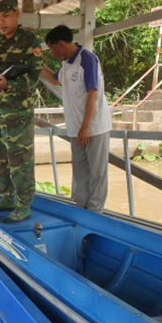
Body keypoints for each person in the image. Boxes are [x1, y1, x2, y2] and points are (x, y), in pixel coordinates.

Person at [0, 0, 44, 223]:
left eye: (6, 16)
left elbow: (34, 76)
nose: (1, 22)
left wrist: (10, 84)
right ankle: (6, 197)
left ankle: (23, 204)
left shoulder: (30, 41)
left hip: (18, 112)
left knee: (20, 159)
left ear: (16, 14)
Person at [41, 25, 111, 213]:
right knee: (80, 172)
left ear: (61, 44)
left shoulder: (87, 60)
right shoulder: (66, 63)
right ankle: (80, 208)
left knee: (97, 172)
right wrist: (36, 62)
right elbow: (56, 80)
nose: (52, 53)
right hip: (75, 127)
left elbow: (92, 93)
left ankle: (95, 211)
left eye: (52, 48)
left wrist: (85, 126)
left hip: (94, 127)